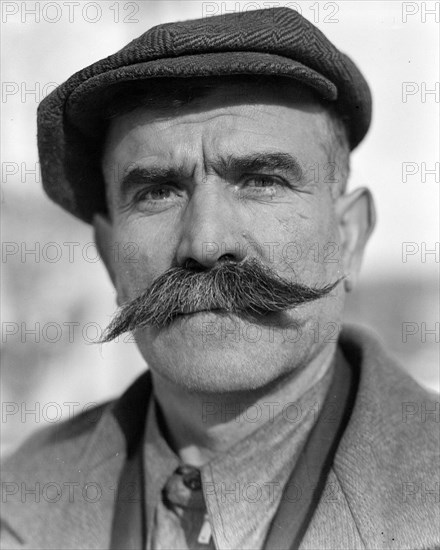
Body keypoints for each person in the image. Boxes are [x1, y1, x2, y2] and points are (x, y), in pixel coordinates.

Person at [1, 7, 438, 550]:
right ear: (110, 258)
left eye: (261, 180)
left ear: (349, 237)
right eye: (158, 191)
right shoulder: (16, 500)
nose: (205, 244)